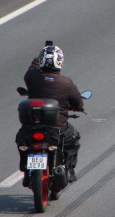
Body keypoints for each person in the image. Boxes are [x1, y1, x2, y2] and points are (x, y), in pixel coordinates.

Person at [22, 44, 84, 184]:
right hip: (58, 129)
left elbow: (33, 67)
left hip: (31, 126)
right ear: (60, 62)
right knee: (73, 139)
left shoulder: (32, 77)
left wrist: (39, 57)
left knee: (21, 140)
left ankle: (26, 171)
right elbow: (79, 104)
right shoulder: (66, 83)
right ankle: (69, 170)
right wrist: (77, 108)